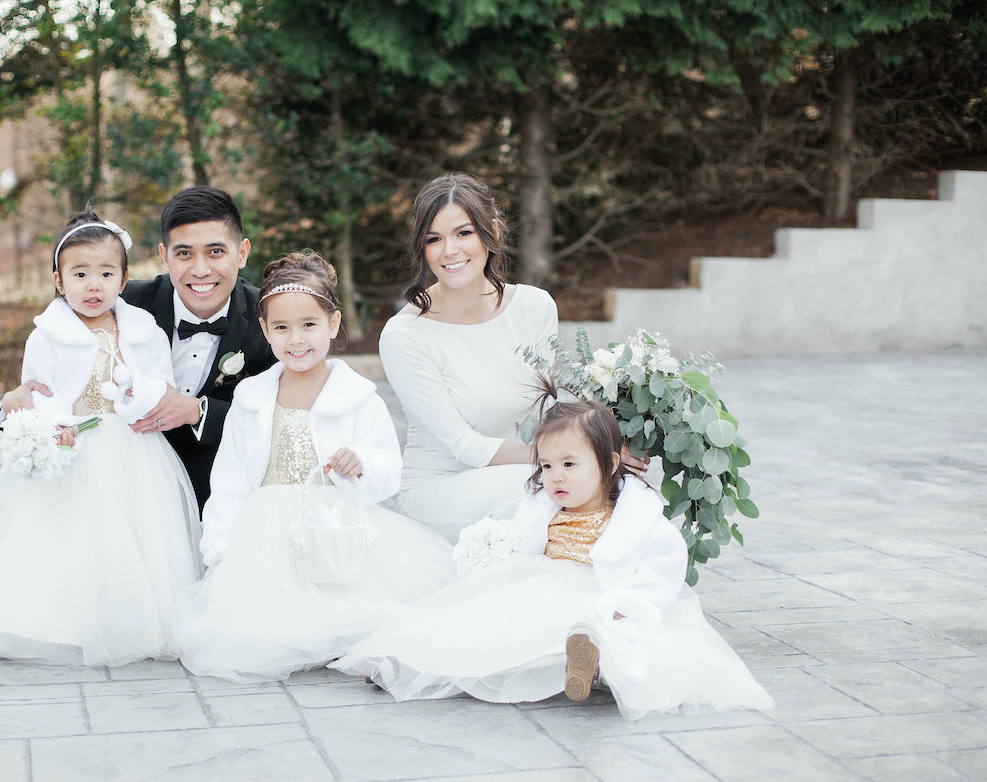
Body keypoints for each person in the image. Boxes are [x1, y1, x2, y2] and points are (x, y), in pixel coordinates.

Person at [334, 396, 773, 721]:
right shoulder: (542, 507)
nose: (555, 477)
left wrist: (629, 605)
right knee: (483, 625)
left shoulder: (637, 518)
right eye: (546, 466)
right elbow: (520, 544)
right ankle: (404, 661)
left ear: (609, 463)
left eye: (569, 464)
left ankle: (587, 661)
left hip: (603, 595)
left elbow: (663, 570)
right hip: (540, 584)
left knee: (590, 632)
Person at [0, 211, 202, 666]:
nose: (93, 285)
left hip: (134, 448)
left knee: (137, 534)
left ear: (124, 279)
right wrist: (52, 422)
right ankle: (66, 621)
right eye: (79, 274)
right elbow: (37, 391)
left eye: (106, 274)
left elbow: (161, 383)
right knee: (69, 534)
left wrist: (137, 394)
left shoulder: (144, 330)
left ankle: (130, 619)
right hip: (76, 446)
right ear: (58, 280)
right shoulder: (47, 336)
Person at [173, 250, 456, 684]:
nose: (296, 339)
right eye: (282, 327)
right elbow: (229, 479)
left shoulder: (358, 398)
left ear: (333, 324)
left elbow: (387, 468)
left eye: (309, 324)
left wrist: (360, 463)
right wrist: (221, 545)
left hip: (334, 528)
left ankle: (361, 645)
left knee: (367, 610)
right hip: (265, 534)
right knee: (251, 634)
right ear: (265, 330)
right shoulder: (251, 400)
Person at [381, 173, 648, 542]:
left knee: (625, 483)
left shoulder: (534, 306)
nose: (449, 251)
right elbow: (463, 445)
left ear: (491, 231)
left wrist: (603, 445)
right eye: (433, 239)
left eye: (463, 233)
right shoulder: (405, 334)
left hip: (527, 470)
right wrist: (569, 459)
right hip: (440, 488)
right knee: (550, 488)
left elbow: (546, 411)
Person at [3, 187, 275, 509]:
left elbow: (280, 417)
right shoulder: (116, 301)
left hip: (224, 491)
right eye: (184, 254)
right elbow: (57, 357)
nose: (200, 269)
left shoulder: (271, 319)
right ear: (164, 256)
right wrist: (15, 407)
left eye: (215, 252)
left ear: (242, 253)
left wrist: (197, 411)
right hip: (118, 489)